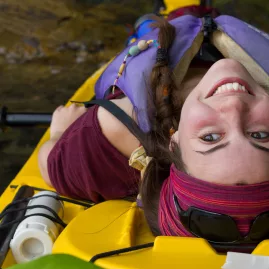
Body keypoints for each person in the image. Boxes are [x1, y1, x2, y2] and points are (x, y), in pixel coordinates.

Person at [38, 10, 269, 248]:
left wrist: (59, 132)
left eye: (210, 137)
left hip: (162, 41)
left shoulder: (114, 130)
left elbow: (50, 165)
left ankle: (146, 23)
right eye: (261, 135)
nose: (234, 106)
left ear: (175, 143)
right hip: (223, 28)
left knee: (153, 24)